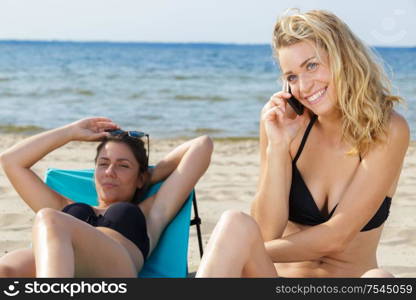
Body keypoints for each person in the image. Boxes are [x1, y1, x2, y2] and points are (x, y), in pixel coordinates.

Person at [196, 9, 409, 278]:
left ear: (343, 58)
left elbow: (336, 237)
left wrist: (246, 248)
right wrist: (278, 147)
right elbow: (265, 229)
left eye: (311, 65)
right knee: (233, 223)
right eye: (292, 77)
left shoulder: (387, 129)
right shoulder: (287, 124)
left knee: (380, 280)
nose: (304, 86)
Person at [0, 117, 213, 277]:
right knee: (5, 269)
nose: (110, 172)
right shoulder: (62, 206)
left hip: (116, 269)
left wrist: (149, 177)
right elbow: (10, 161)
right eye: (103, 164)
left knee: (49, 218)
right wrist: (70, 132)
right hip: (68, 266)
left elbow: (202, 145)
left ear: (140, 178)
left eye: (123, 166)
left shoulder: (151, 211)